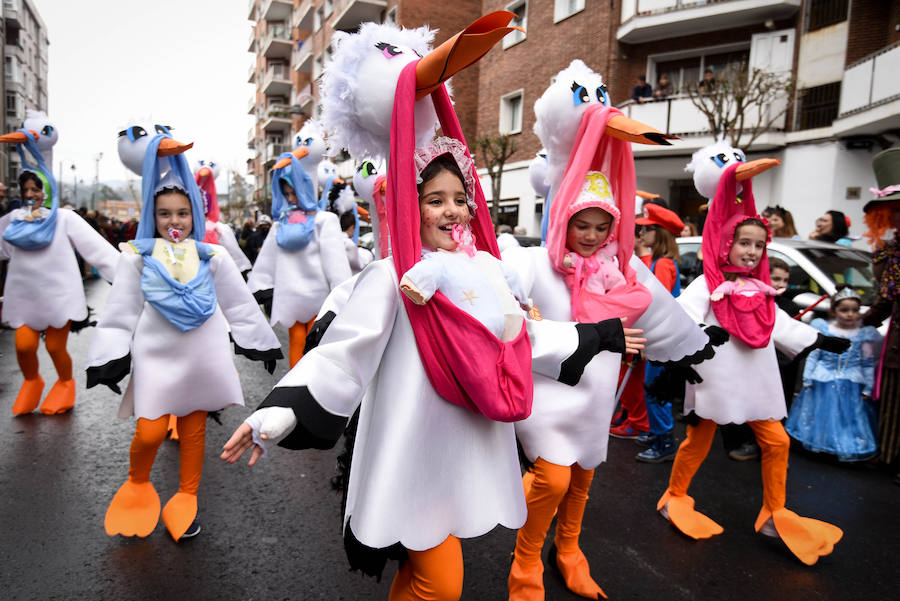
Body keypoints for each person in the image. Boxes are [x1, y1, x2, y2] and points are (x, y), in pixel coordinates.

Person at [222, 138, 635, 601]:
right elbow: (343, 354)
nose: (451, 210)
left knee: (418, 576)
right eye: (435, 200)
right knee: (441, 586)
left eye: (460, 199)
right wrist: (277, 414)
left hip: (466, 450)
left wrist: (596, 335)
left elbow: (520, 341)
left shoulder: (488, 271)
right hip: (412, 453)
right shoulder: (392, 276)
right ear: (411, 208)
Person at [86, 136, 281, 542]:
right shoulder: (137, 257)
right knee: (150, 431)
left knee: (193, 432)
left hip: (201, 357)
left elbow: (238, 304)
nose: (173, 220)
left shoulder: (214, 256)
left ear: (194, 213)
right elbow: (120, 311)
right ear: (152, 215)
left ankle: (186, 498)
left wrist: (259, 341)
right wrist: (109, 356)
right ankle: (137, 484)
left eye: (182, 212)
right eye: (164, 213)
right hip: (156, 356)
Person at [656, 159, 849, 566]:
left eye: (759, 245)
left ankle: (774, 512)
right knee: (698, 442)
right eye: (744, 242)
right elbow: (679, 318)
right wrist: (697, 340)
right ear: (726, 243)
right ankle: (674, 496)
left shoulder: (761, 289)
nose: (752, 251)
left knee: (777, 442)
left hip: (756, 379)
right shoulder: (706, 284)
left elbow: (778, 323)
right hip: (715, 379)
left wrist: (818, 339)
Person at [0, 163, 119, 415]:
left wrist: (127, 277)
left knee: (55, 347)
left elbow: (97, 250)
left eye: (36, 189)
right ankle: (32, 381)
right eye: (25, 189)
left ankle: (65, 383)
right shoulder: (14, 220)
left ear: (46, 191)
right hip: (24, 297)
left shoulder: (64, 219)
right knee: (23, 346)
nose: (30, 194)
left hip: (58, 296)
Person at [247, 154, 351, 367]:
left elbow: (335, 266)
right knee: (304, 342)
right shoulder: (284, 224)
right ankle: (301, 384)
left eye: (294, 192)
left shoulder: (318, 221)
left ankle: (302, 383)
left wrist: (340, 297)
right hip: (303, 297)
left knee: (310, 343)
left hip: (311, 299)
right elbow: (267, 261)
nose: (291, 198)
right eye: (287, 194)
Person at [786, 286, 881, 461]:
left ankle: (841, 446)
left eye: (854, 310)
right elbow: (814, 356)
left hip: (850, 382)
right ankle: (819, 444)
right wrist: (807, 378)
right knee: (820, 415)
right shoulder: (826, 330)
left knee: (847, 418)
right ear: (833, 311)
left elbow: (867, 363)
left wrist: (868, 387)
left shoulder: (863, 335)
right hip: (823, 379)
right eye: (844, 310)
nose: (850, 314)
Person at [860, 147, 900, 483]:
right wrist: (856, 325)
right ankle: (889, 455)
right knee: (891, 399)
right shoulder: (890, 254)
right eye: (894, 211)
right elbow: (886, 300)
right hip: (896, 346)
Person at [632, 203, 683, 462]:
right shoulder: (663, 261)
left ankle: (665, 442)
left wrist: (645, 340)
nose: (641, 234)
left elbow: (657, 305)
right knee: (654, 389)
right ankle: (658, 433)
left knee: (656, 391)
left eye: (647, 229)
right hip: (664, 334)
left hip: (662, 336)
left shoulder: (662, 263)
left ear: (660, 233)